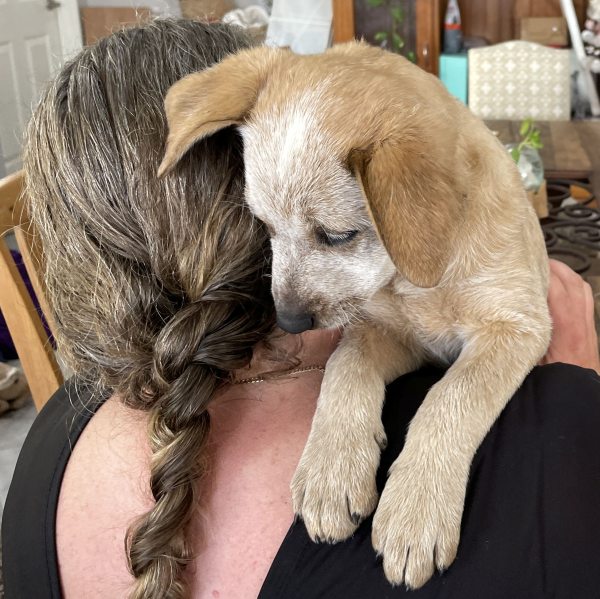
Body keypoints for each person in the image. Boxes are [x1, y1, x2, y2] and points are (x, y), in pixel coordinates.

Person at [3, 18, 600, 599]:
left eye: (334, 235)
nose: (285, 294)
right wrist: (575, 393)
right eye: (264, 225)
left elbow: (451, 317)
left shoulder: (48, 441)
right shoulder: (539, 473)